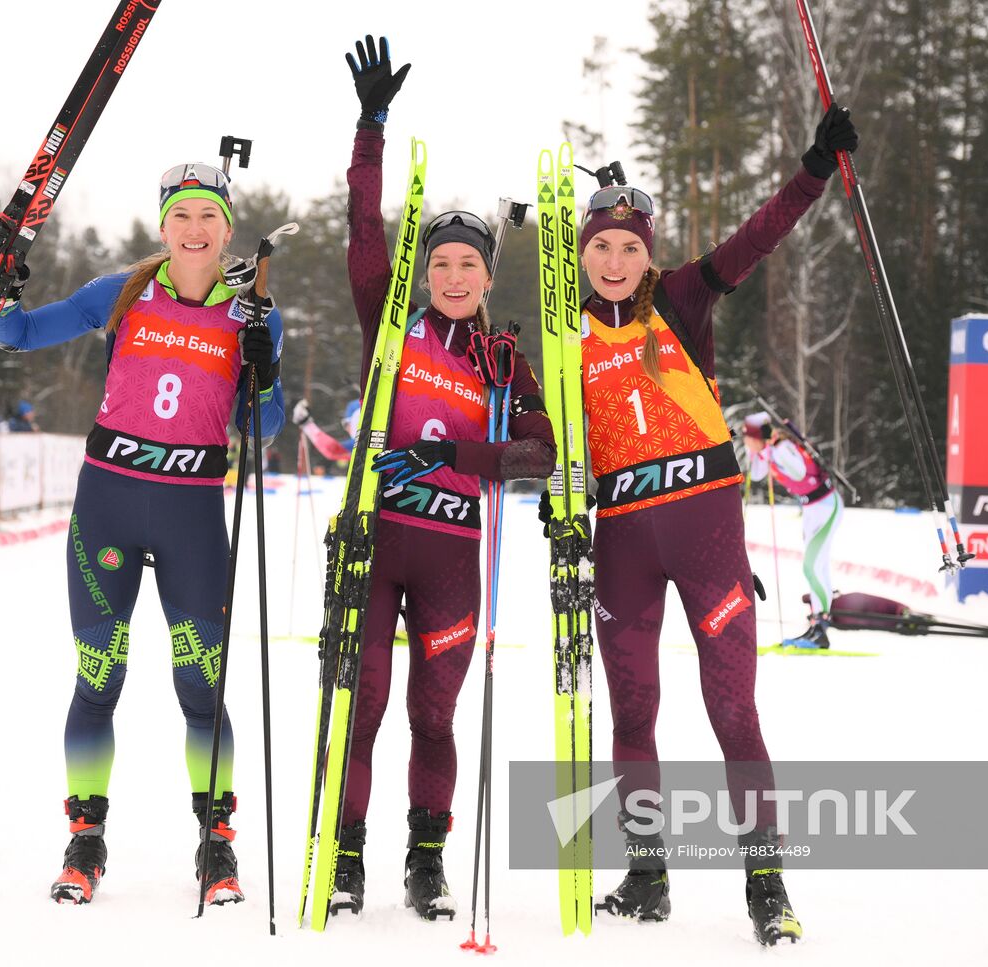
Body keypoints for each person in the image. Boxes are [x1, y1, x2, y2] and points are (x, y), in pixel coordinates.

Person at [541, 105, 859, 944]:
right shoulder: (561, 335)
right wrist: (539, 479)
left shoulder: (679, 299)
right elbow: (541, 443)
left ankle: (766, 884)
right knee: (632, 712)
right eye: (599, 248)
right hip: (622, 548)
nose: (614, 261)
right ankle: (647, 875)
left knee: (733, 710)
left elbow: (755, 240)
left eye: (629, 247)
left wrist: (812, 172)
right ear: (581, 256)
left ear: (649, 252)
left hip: (708, 537)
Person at [0, 162, 285, 906]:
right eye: (182, 215)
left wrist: (266, 370)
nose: (194, 230)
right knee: (99, 677)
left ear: (225, 227)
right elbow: (17, 334)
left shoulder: (253, 311)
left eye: (208, 217)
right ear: (164, 226)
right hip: (108, 507)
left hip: (193, 514)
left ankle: (216, 846)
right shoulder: (119, 294)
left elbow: (267, 427)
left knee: (202, 689)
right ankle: (84, 840)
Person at [331, 34, 555, 922]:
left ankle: (427, 858)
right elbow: (362, 225)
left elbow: (539, 451)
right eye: (441, 264)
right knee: (366, 703)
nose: (453, 275)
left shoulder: (502, 359)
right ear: (424, 274)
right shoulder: (391, 325)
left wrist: (455, 457)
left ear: (488, 275)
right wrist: (370, 131)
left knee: (433, 712)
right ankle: (344, 852)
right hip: (379, 538)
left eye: (469, 264)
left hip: (455, 549)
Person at [743, 411, 844, 648]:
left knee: (811, 567)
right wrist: (755, 451)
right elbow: (757, 474)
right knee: (817, 567)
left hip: (826, 507)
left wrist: (768, 451)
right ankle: (817, 626)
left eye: (748, 438)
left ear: (759, 436)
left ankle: (821, 626)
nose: (746, 442)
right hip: (811, 510)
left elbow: (798, 471)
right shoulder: (767, 449)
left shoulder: (782, 447)